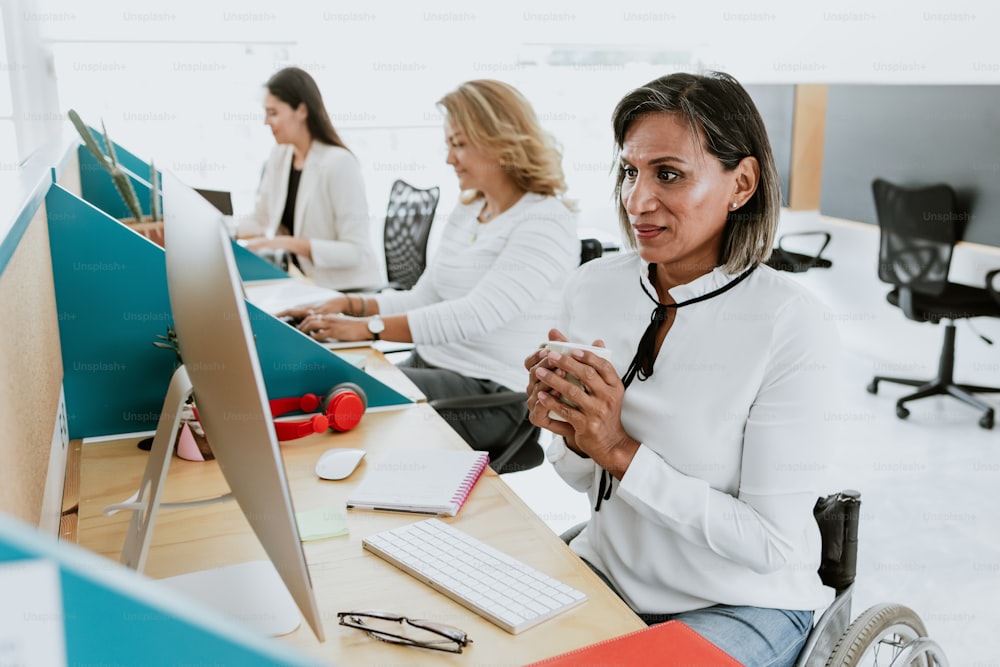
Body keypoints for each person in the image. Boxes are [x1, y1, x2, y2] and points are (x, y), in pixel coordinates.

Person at [523, 72, 840, 667]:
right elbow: (578, 482)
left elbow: (769, 544)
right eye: (629, 171)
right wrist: (571, 433)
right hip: (610, 571)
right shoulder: (595, 287)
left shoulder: (790, 323)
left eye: (668, 174)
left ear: (741, 183)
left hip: (739, 604)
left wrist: (619, 448)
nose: (637, 200)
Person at [282, 79, 578, 455]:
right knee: (326, 377)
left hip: (489, 398)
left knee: (339, 390)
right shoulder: (471, 208)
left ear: (500, 142)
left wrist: (365, 327)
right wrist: (349, 305)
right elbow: (424, 297)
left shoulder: (545, 221)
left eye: (458, 144)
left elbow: (475, 315)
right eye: (448, 145)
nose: (449, 158)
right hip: (430, 367)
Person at [239, 67, 380, 290]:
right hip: (301, 283)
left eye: (273, 113)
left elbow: (356, 251)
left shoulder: (339, 163)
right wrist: (217, 228)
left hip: (344, 290)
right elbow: (260, 220)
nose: (266, 121)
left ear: (302, 110)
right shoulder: (280, 155)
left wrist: (286, 243)